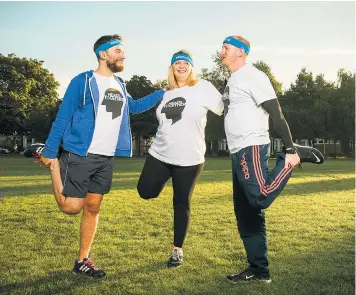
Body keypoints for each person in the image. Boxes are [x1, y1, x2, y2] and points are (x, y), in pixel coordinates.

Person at [39, 34, 165, 278]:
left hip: (106, 157)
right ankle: (55, 167)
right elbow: (63, 116)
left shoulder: (120, 84)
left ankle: (83, 260)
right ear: (103, 54)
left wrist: (162, 91)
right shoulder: (83, 81)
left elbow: (134, 107)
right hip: (80, 154)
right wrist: (50, 151)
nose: (123, 55)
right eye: (118, 50)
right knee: (72, 207)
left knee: (93, 207)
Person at [219, 35, 324, 283]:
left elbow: (276, 112)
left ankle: (291, 159)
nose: (221, 51)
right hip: (237, 151)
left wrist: (289, 147)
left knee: (260, 197)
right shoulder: (233, 80)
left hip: (251, 146)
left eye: (226, 47)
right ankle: (259, 269)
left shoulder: (253, 75)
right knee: (246, 213)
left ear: (240, 53)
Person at [137, 50, 224, 268]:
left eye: (186, 63)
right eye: (178, 63)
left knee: (181, 203)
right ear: (172, 68)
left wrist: (231, 89)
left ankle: (177, 250)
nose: (182, 66)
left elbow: (223, 108)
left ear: (192, 67)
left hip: (190, 159)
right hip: (160, 154)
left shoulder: (202, 87)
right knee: (145, 191)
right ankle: (163, 180)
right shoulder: (166, 93)